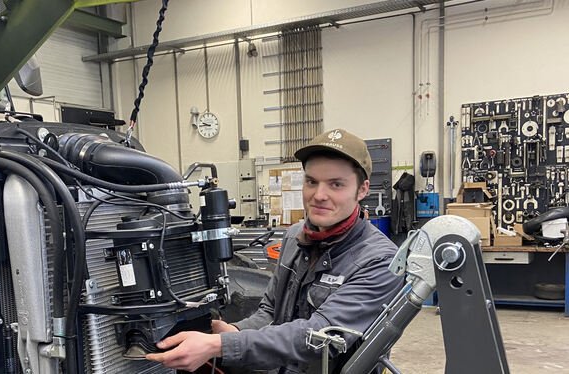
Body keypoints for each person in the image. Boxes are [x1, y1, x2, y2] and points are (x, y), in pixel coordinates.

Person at [146, 129, 404, 373]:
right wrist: (234, 331)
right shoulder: (295, 236)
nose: (319, 195)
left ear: (362, 189)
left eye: (336, 184)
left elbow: (319, 336)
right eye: (311, 181)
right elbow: (271, 312)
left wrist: (221, 346)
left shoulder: (380, 261)